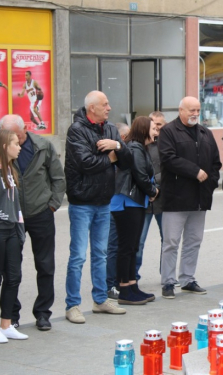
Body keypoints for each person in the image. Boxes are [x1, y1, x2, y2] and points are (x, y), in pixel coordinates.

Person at [64, 90, 131, 324]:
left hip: (104, 201)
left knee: (100, 255)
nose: (109, 107)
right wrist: (111, 158)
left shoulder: (111, 129)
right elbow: (85, 163)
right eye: (105, 104)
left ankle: (100, 300)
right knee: (78, 256)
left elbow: (128, 160)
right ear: (92, 108)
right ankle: (72, 305)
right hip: (82, 202)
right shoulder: (76, 130)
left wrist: (118, 147)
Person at [0, 114, 65, 331]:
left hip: (41, 212)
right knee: (11, 269)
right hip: (12, 217)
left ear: (24, 131)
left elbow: (58, 177)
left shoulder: (42, 146)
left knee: (45, 265)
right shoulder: (3, 148)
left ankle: (43, 313)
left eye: (16, 136)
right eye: (9, 137)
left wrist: (53, 204)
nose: (14, 141)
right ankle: (11, 315)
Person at [158, 97, 221, 299]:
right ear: (181, 110)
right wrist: (195, 171)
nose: (195, 113)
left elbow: (215, 164)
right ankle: (168, 282)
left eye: (198, 110)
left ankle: (187, 279)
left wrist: (210, 183)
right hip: (176, 198)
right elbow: (168, 159)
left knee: (194, 241)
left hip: (200, 197)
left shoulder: (205, 133)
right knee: (171, 242)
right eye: (191, 110)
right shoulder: (168, 131)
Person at [111, 116, 159, 305]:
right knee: (127, 247)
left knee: (132, 246)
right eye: (154, 128)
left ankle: (132, 286)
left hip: (134, 202)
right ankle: (124, 289)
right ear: (143, 129)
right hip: (126, 202)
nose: (156, 132)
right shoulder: (134, 147)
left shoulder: (140, 148)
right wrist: (153, 190)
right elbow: (139, 174)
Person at [0, 129, 28, 342]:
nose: (19, 147)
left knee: (13, 276)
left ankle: (6, 324)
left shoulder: (11, 169)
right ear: (4, 146)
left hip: (11, 230)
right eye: (15, 144)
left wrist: (20, 231)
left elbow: (16, 204)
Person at [136, 112, 166, 283]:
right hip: (144, 199)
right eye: (152, 124)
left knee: (167, 240)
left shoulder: (167, 144)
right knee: (139, 241)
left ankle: (166, 275)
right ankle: (134, 275)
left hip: (162, 198)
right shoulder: (140, 145)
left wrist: (156, 187)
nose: (155, 128)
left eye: (159, 125)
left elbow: (170, 168)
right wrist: (149, 188)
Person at [106, 122, 130, 299]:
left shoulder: (124, 155)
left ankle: (121, 280)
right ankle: (110, 284)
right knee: (112, 246)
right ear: (122, 138)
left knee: (122, 245)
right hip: (112, 205)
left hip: (122, 206)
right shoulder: (111, 156)